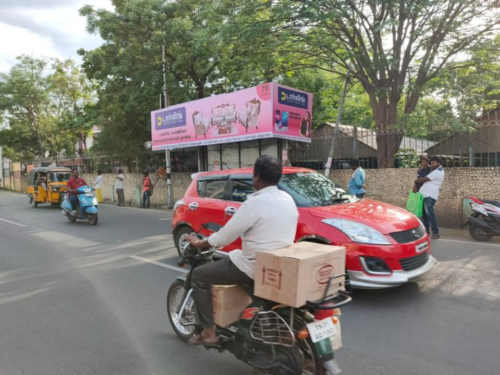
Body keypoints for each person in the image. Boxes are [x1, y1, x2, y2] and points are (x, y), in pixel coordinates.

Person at [185, 156, 299, 346]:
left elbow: (223, 238)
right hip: (278, 265)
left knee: (199, 275)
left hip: (253, 267)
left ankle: (208, 332)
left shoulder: (254, 203)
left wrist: (199, 243)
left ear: (256, 177)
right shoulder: (288, 199)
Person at [415, 156, 445, 239]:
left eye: (433, 163)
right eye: (430, 163)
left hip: (430, 195)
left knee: (430, 214)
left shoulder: (438, 172)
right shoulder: (434, 170)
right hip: (424, 195)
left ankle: (435, 232)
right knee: (424, 215)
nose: (431, 165)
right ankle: (426, 232)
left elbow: (421, 180)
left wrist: (416, 181)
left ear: (438, 163)